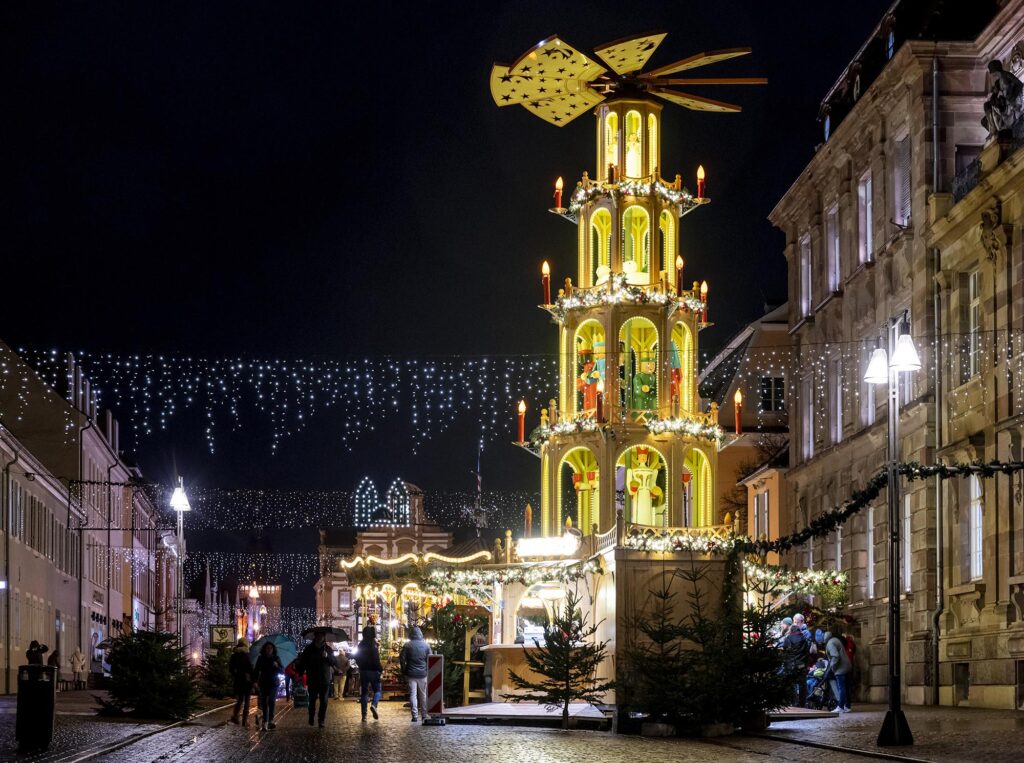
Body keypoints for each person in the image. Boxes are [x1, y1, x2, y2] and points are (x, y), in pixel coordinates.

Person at [299, 632, 338, 728]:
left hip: (324, 678)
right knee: (312, 700)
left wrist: (327, 657)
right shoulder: (309, 649)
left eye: (322, 635)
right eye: (319, 635)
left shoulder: (328, 649)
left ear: (324, 637)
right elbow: (303, 661)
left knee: (324, 701)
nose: (320, 637)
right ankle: (311, 716)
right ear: (315, 637)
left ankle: (321, 720)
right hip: (312, 678)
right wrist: (300, 673)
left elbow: (333, 661)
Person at [400, 626, 433, 722]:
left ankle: (414, 716)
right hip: (423, 674)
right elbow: (431, 659)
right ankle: (424, 714)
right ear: (420, 634)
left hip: (410, 674)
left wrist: (404, 670)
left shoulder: (407, 645)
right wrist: (427, 670)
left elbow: (402, 659)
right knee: (423, 695)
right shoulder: (426, 645)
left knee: (413, 695)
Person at [253, 641, 283, 731]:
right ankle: (265, 721)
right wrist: (254, 681)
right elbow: (256, 670)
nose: (269, 650)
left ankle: (271, 720)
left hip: (274, 683)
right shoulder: (260, 658)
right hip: (263, 683)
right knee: (264, 703)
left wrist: (277, 666)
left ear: (273, 650)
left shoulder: (276, 658)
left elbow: (282, 671)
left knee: (271, 701)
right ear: (265, 649)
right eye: (267, 648)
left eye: (270, 648)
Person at [355, 626, 383, 722]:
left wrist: (361, 666)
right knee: (378, 691)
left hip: (364, 671)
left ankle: (364, 716)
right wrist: (380, 669)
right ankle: (374, 705)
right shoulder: (373, 644)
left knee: (364, 693)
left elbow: (357, 657)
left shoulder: (361, 644)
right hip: (374, 671)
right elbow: (376, 659)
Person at [825, 629, 853, 713]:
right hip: (847, 666)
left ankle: (840, 706)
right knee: (847, 687)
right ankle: (847, 706)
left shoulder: (830, 644)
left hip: (840, 668)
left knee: (841, 688)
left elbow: (835, 656)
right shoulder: (835, 640)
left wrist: (832, 667)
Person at [782, 625, 810, 707]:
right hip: (801, 665)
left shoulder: (787, 639)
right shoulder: (804, 639)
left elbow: (784, 652)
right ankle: (802, 704)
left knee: (791, 684)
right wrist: (805, 664)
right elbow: (807, 653)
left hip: (790, 665)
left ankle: (793, 703)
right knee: (802, 684)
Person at [228, 638, 254, 726]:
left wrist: (237, 674)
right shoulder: (246, 655)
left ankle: (235, 716)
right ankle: (244, 721)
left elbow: (231, 669)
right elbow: (250, 668)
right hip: (246, 681)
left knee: (240, 700)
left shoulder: (234, 655)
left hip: (238, 681)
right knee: (246, 701)